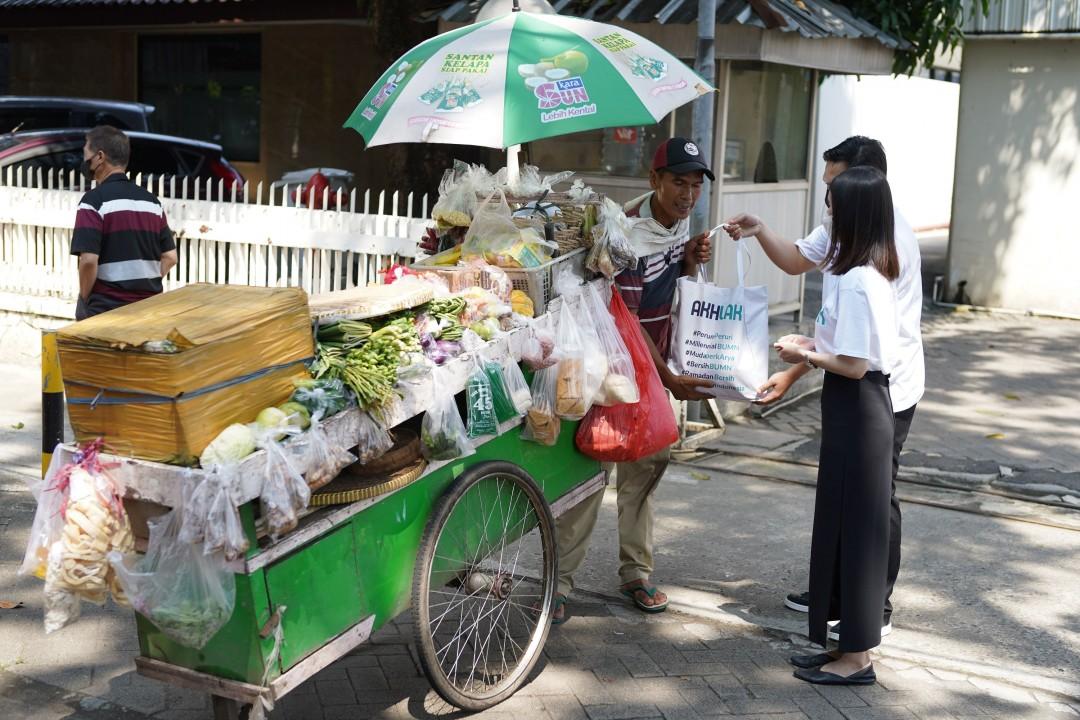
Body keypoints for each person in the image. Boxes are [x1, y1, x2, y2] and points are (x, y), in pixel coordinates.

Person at [724, 136, 923, 641]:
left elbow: (859, 356)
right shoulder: (849, 230)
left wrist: (803, 359)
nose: (826, 200)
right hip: (851, 380)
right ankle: (840, 595)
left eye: (833, 187)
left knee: (874, 499)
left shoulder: (879, 254)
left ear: (864, 186)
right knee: (842, 496)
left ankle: (869, 608)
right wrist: (797, 370)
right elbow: (802, 271)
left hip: (882, 388)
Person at [553, 138, 715, 623]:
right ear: (654, 181)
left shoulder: (677, 225)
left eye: (695, 185)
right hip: (616, 369)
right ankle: (558, 583)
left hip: (655, 364)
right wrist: (667, 378)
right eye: (677, 183)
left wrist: (689, 261)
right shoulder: (627, 236)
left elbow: (675, 292)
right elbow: (626, 321)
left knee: (649, 466)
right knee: (593, 472)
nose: (687, 195)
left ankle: (635, 573)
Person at [773, 165, 900, 684]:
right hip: (856, 407)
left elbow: (853, 364)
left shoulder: (856, 280)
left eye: (832, 204)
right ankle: (843, 649)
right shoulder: (866, 270)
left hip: (858, 405)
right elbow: (849, 352)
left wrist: (799, 352)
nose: (827, 212)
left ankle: (856, 660)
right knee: (846, 528)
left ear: (852, 214)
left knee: (858, 534)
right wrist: (812, 349)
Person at [71, 125, 177, 321]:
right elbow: (170, 257)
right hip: (149, 311)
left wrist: (84, 299)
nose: (84, 161)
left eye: (86, 155)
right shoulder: (151, 202)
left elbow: (88, 261)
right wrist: (143, 286)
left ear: (100, 157)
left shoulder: (93, 202)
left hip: (105, 313)